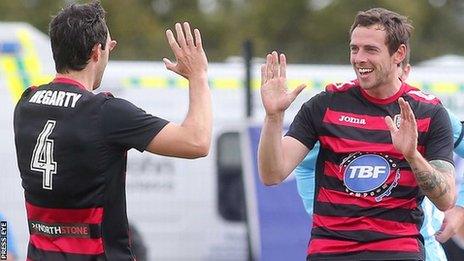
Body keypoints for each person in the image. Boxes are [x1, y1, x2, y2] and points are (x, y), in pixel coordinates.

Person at [13, 1, 211, 260]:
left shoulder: (26, 104)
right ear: (96, 52)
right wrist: (198, 76)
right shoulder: (105, 112)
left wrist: (102, 47)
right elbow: (197, 142)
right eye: (107, 46)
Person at [258, 7, 456, 260]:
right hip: (330, 250)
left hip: (396, 250)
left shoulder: (429, 112)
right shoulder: (325, 105)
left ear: (399, 54)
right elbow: (272, 174)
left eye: (370, 50)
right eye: (354, 48)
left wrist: (412, 155)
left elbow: (445, 199)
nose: (359, 58)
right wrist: (273, 117)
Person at [294, 59, 464, 261]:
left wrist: (459, 207)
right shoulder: (336, 111)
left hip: (421, 248)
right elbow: (303, 167)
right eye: (355, 49)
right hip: (344, 248)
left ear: (404, 68)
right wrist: (327, 216)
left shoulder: (431, 113)